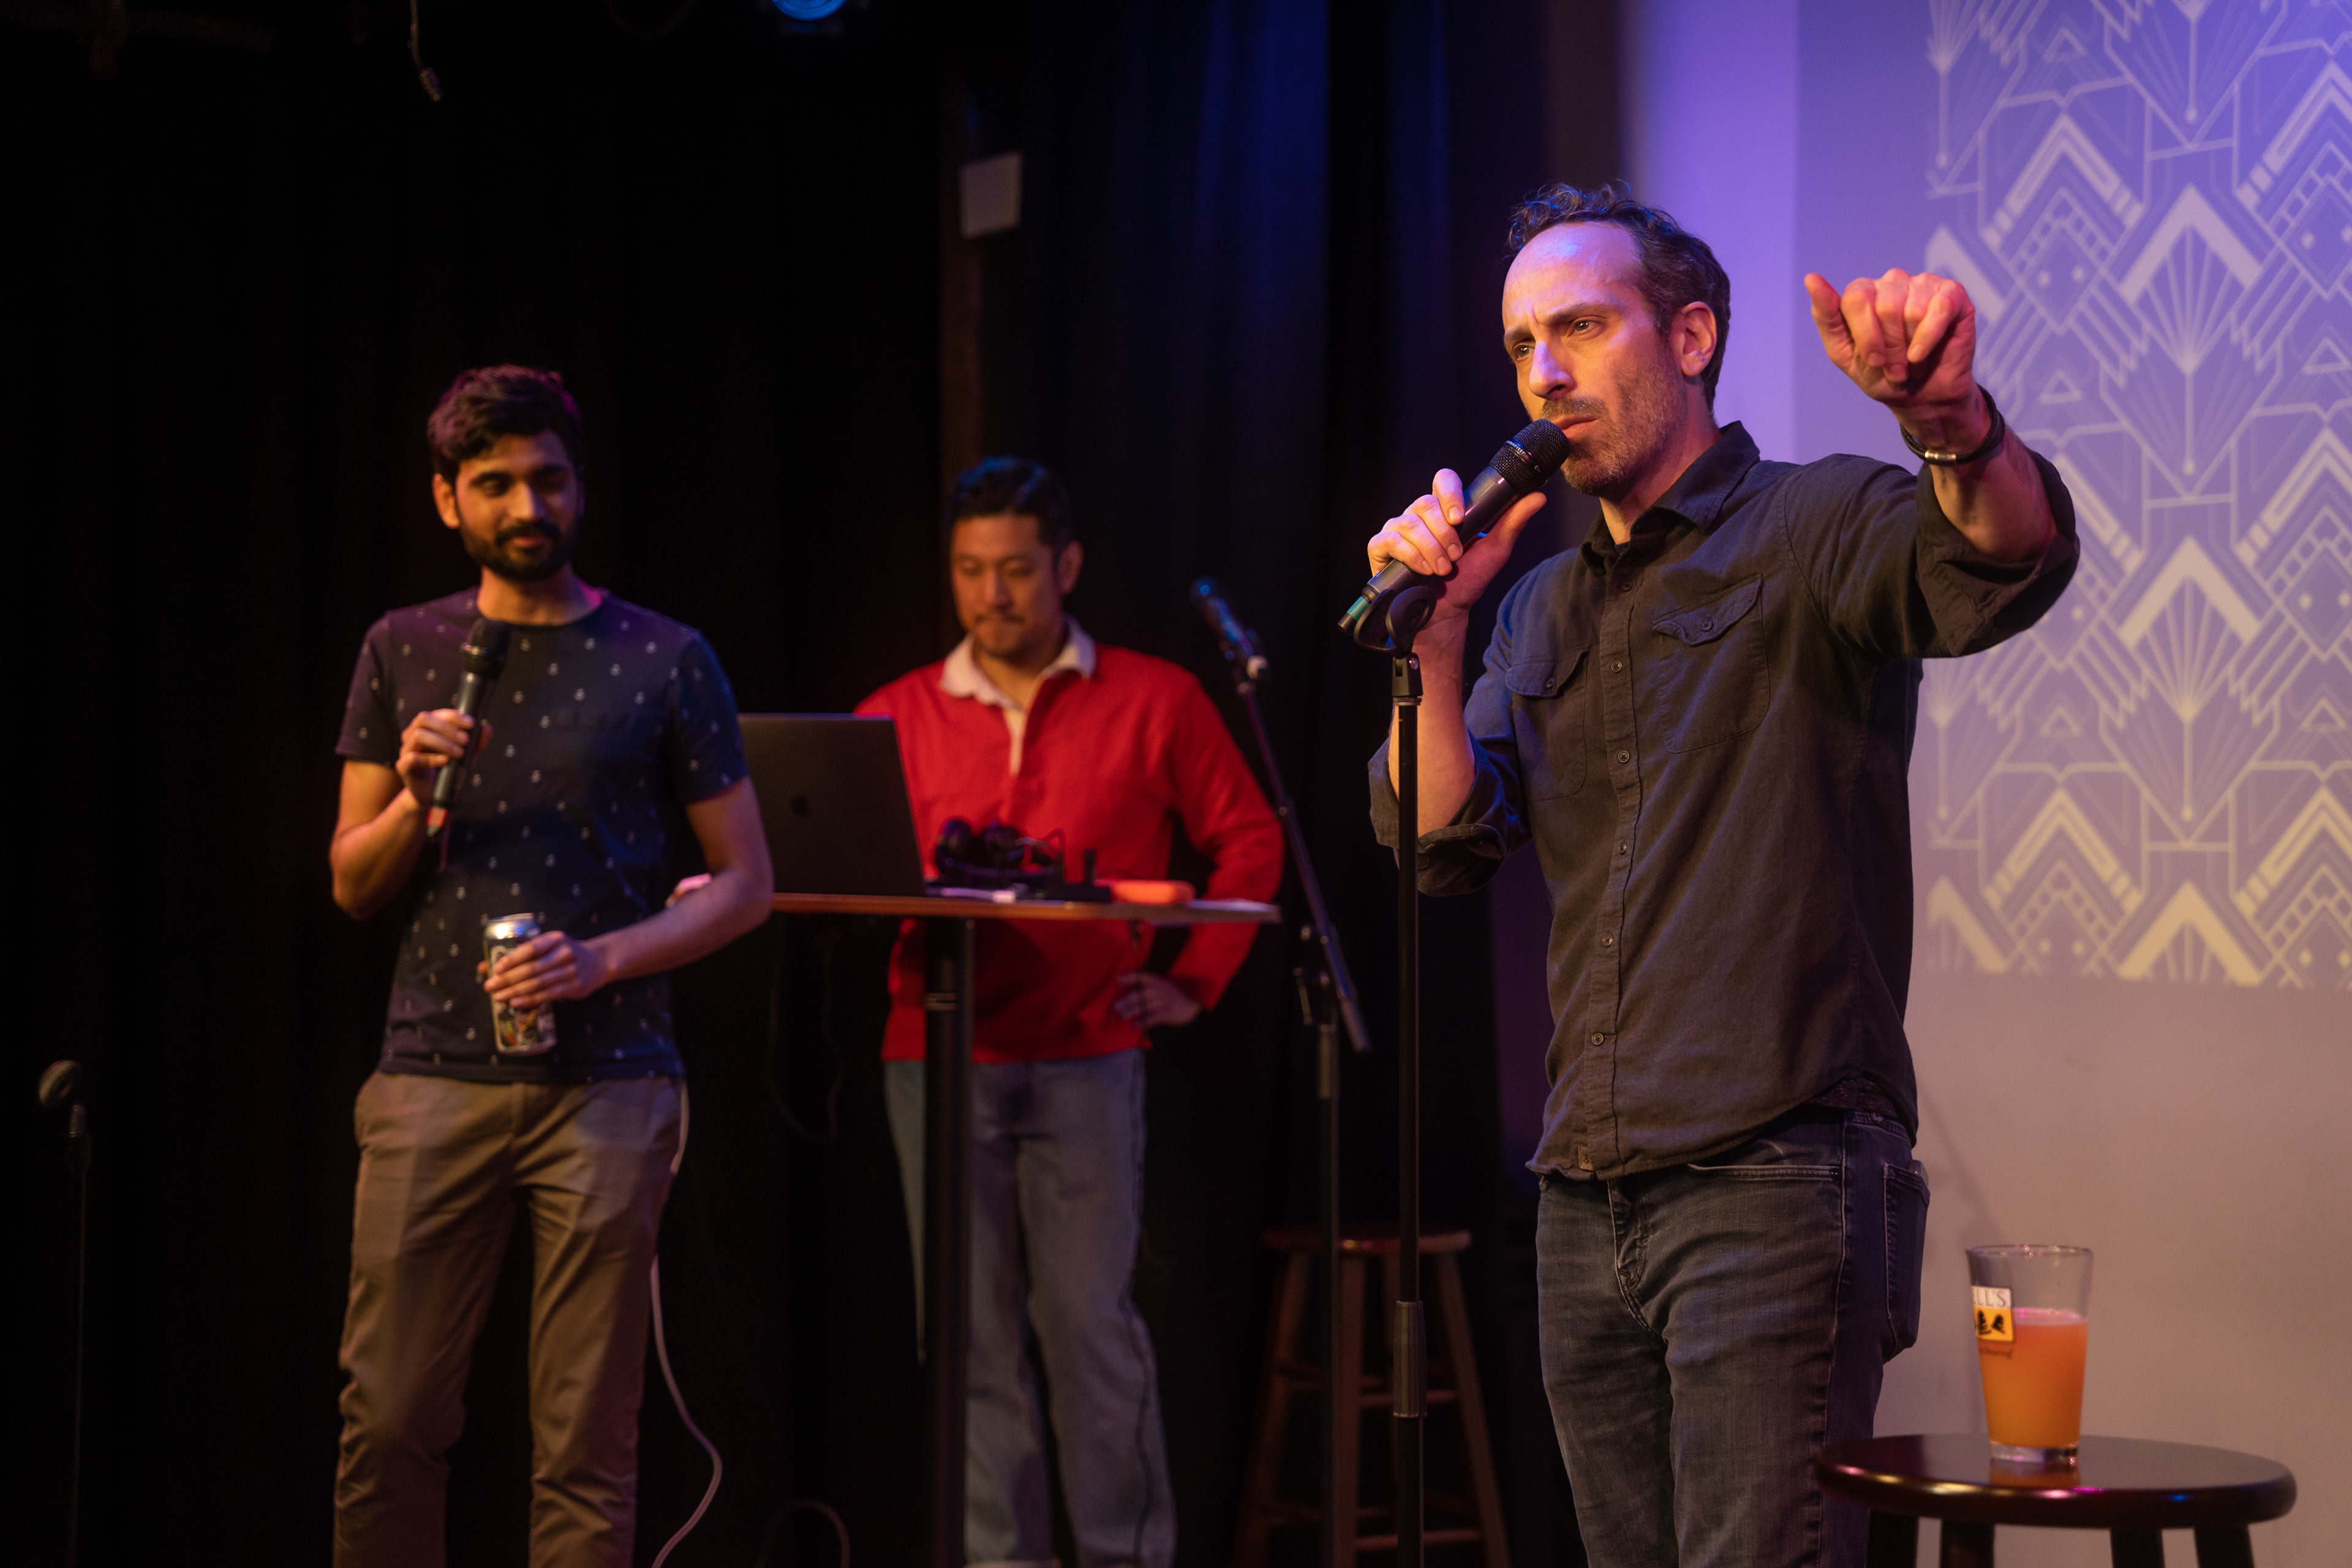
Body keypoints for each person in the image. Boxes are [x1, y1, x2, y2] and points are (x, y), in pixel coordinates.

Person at [1362, 185, 2078, 1567]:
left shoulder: (1814, 522)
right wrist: (1437, 645)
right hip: (1586, 1196)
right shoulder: (1539, 607)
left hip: (1774, 1177)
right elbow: (1439, 839)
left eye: (1581, 327)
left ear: (1691, 337)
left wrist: (1950, 421)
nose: (1545, 373)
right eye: (1521, 345)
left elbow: (2006, 552)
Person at [326, 366, 774, 1568]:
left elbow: (746, 883)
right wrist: (415, 794)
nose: (528, 506)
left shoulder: (666, 656)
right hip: (432, 1076)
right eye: (495, 484)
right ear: (447, 499)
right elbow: (352, 882)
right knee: (391, 1419)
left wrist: (601, 960)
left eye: (549, 479)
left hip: (610, 1082)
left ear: (581, 485)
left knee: (585, 1442)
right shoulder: (403, 647)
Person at [856, 457, 1284, 1568]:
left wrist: (1194, 981)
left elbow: (1249, 838)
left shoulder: (1154, 697)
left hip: (1090, 1053)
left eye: (1014, 570)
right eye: (969, 571)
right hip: (937, 1055)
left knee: (1092, 1330)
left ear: (1067, 566)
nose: (991, 595)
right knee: (968, 1343)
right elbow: (847, 869)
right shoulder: (895, 713)